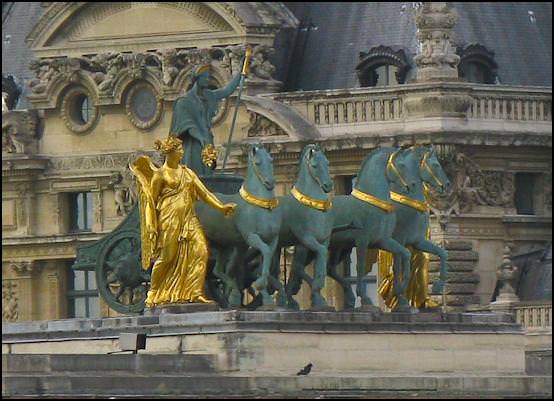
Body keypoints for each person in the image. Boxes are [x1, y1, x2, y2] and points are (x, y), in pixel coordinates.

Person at [130, 136, 236, 307]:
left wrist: (221, 207)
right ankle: (154, 292)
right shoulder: (160, 176)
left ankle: (194, 292)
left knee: (201, 251)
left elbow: (205, 194)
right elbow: (151, 202)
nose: (182, 153)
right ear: (170, 152)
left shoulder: (187, 172)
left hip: (188, 219)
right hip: (169, 220)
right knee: (167, 257)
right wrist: (151, 225)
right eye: (179, 150)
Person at [169, 63, 244, 176]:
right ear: (197, 79)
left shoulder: (209, 95)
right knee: (195, 175)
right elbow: (187, 125)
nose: (208, 80)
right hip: (193, 145)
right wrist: (201, 138)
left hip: (207, 141)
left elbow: (227, 90)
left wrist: (241, 71)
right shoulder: (184, 101)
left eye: (208, 77)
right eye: (205, 77)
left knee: (208, 174)